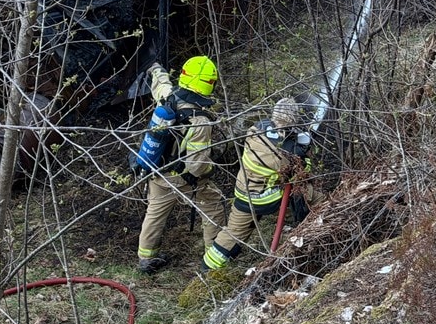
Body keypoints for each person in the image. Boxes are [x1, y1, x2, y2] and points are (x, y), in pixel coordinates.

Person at [133, 55, 227, 274]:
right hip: (183, 178)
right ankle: (215, 256)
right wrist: (203, 175)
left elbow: (161, 82)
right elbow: (198, 163)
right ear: (208, 84)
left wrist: (155, 68)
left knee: (155, 213)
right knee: (213, 206)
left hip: (158, 171)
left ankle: (146, 259)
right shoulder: (200, 120)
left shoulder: (168, 97)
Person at [201, 96, 312, 272]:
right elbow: (298, 170)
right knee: (309, 193)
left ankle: (208, 267)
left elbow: (275, 139)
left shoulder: (257, 129)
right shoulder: (285, 151)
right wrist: (303, 154)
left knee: (234, 232)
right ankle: (313, 224)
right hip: (265, 198)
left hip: (243, 190)